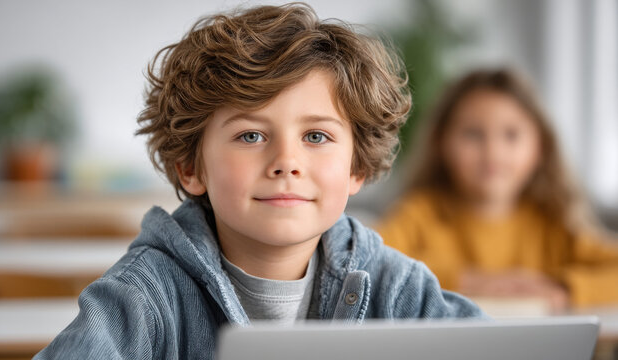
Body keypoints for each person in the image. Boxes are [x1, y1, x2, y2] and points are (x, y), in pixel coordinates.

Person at [34, 4, 484, 359]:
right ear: (192, 168)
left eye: (316, 136)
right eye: (251, 135)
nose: (286, 162)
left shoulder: (399, 289)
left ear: (356, 168)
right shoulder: (142, 299)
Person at [377, 69, 618, 311]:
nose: (492, 152)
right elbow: (369, 261)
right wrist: (468, 281)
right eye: (473, 134)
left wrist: (565, 289)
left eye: (511, 135)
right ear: (441, 143)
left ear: (540, 148)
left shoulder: (553, 224)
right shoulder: (419, 215)